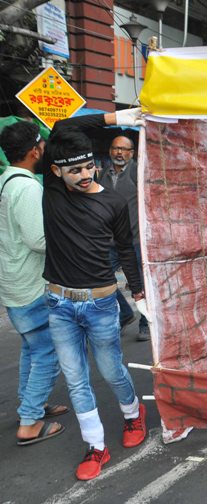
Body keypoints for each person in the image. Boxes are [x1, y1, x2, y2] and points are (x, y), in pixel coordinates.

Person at [43, 109, 149, 481]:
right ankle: (96, 445)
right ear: (56, 172)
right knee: (75, 379)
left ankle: (133, 414)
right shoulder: (53, 190)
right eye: (75, 170)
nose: (86, 174)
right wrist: (117, 116)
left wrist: (138, 294)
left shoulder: (113, 202)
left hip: (101, 304)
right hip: (59, 304)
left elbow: (126, 252)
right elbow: (63, 126)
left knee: (112, 371)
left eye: (89, 165)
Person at [0, 121, 70, 446]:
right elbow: (38, 240)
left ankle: (31, 406)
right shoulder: (27, 188)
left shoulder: (7, 180)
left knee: (32, 348)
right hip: (29, 285)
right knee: (47, 352)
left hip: (14, 281)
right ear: (34, 151)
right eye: (41, 145)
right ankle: (29, 423)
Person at [98, 135, 149, 341]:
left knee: (141, 285)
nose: (119, 152)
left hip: (134, 240)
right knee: (100, 278)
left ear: (132, 153)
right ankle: (125, 313)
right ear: (110, 151)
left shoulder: (138, 171)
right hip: (109, 241)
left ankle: (146, 324)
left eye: (124, 149)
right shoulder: (103, 174)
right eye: (115, 148)